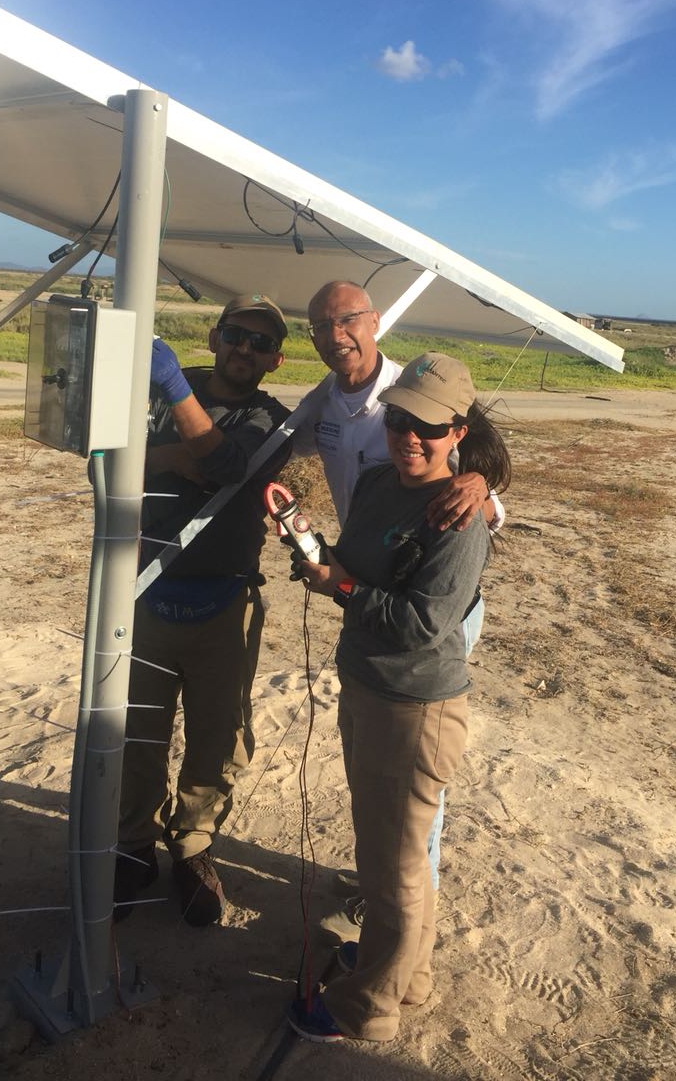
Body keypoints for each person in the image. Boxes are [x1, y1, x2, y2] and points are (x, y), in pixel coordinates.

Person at [286, 352, 512, 1042]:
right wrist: (317, 555)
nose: (410, 437)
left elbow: (422, 627)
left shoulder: (461, 516)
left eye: (429, 428)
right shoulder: (381, 481)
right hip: (366, 683)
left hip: (415, 708)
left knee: (395, 867)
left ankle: (367, 1008)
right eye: (400, 420)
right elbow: (355, 565)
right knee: (389, 852)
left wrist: (343, 589)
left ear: (459, 431)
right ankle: (409, 978)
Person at [293, 280, 505, 895]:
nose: (336, 337)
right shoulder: (325, 402)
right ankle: (386, 886)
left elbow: (487, 506)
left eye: (348, 320)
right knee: (379, 764)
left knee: (415, 768)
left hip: (427, 604)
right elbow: (274, 447)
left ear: (375, 321)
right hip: (362, 579)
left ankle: (407, 896)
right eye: (321, 326)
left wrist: (482, 487)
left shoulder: (417, 392)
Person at [114, 294, 290, 926]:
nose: (245, 348)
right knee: (137, 729)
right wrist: (167, 456)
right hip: (145, 595)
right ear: (214, 336)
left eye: (261, 342)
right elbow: (106, 460)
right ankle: (132, 845)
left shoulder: (275, 421)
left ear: (275, 360)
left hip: (224, 601)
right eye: (236, 334)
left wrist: (181, 447)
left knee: (218, 738)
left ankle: (191, 844)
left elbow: (223, 466)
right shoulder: (167, 389)